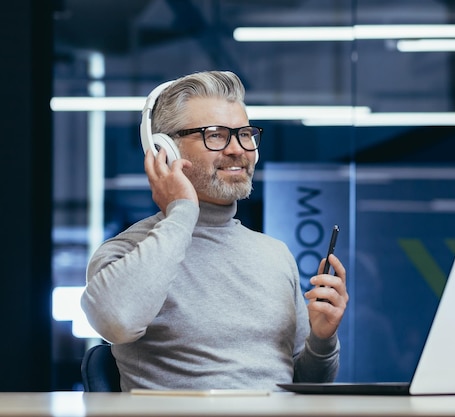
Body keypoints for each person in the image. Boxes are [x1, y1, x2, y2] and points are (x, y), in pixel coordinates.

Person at [80, 70, 349, 392]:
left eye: (245, 134)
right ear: (166, 149)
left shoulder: (274, 254)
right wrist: (182, 211)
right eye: (216, 135)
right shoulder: (127, 253)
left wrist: (322, 340)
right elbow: (116, 322)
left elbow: (307, 386)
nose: (238, 149)